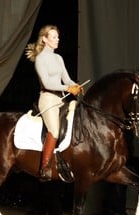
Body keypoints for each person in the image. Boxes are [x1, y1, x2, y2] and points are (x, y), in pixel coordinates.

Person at [25, 25, 83, 181]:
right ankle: (44, 168)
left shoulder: (58, 58)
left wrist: (75, 85)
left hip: (61, 99)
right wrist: (68, 88)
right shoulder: (40, 59)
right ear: (44, 39)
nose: (57, 40)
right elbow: (47, 83)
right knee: (55, 131)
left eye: (58, 37)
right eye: (53, 37)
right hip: (48, 99)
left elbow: (67, 79)